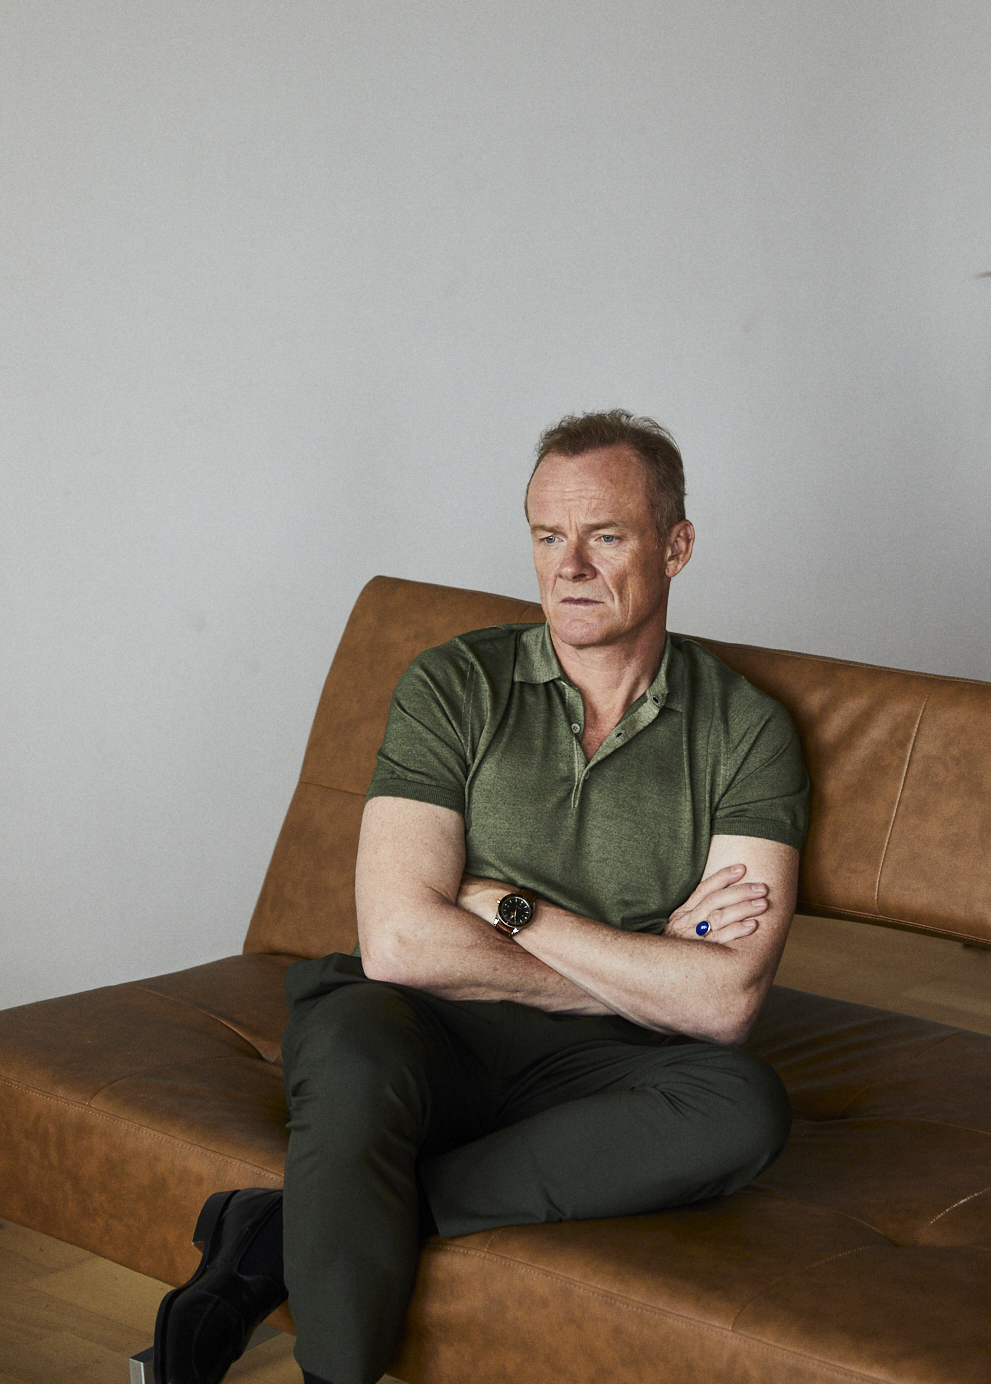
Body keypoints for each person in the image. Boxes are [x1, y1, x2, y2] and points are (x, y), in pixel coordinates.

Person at [153, 410, 810, 1384]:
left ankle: (280, 1229)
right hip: (423, 1022)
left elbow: (725, 1003)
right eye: (547, 536)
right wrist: (650, 972)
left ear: (676, 546)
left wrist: (507, 904)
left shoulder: (745, 730)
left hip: (605, 1063)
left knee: (742, 1107)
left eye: (605, 535)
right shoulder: (456, 685)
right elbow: (400, 941)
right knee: (353, 1048)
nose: (568, 566)